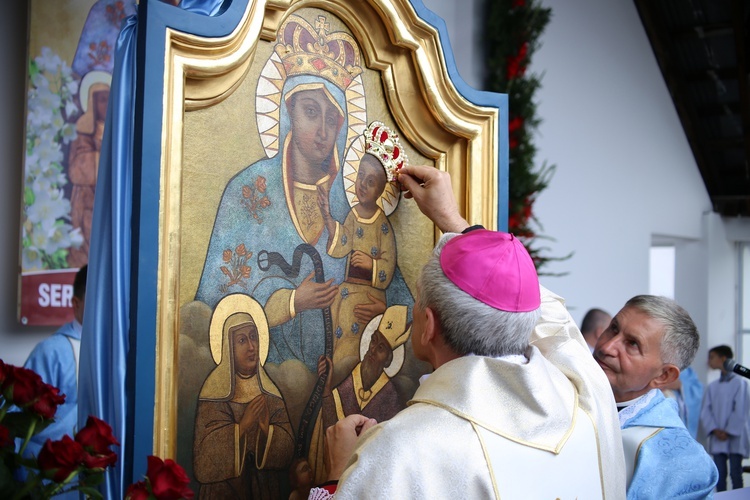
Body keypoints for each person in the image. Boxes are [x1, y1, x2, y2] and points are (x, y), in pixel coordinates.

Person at [314, 164, 627, 499]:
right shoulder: (588, 400)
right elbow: (552, 322)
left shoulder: (401, 453)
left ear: (428, 327)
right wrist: (455, 222)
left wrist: (337, 478)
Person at [594, 295, 718, 498]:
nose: (607, 347)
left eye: (632, 344)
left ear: (663, 376)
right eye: (613, 328)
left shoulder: (683, 461)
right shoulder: (563, 391)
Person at [193, 294, 294, 499]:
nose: (251, 346)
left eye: (254, 336)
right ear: (228, 347)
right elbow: (203, 460)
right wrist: (242, 427)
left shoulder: (270, 394)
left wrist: (268, 432)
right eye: (242, 340)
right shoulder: (213, 394)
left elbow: (288, 450)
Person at [317, 128, 400, 376]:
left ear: (381, 190)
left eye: (371, 182)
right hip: (346, 292)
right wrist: (327, 216)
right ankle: (332, 376)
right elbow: (342, 242)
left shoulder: (382, 224)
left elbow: (388, 266)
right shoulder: (353, 216)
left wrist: (370, 264)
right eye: (360, 176)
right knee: (336, 333)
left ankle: (344, 380)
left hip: (366, 298)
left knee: (354, 349)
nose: (362, 185)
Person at [318, 305, 409, 431]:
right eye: (373, 341)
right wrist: (326, 388)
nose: (372, 349)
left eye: (381, 348)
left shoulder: (390, 397)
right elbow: (330, 427)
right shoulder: (351, 380)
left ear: (388, 360)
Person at [67, 72, 110, 268]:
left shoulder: (116, 131)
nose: (106, 104)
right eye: (101, 100)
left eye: (109, 99)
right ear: (91, 102)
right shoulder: (82, 132)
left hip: (108, 201)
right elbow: (77, 169)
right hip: (86, 202)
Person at [700, 345, 750, 491]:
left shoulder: (741, 384)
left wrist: (728, 431)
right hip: (717, 436)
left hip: (734, 436)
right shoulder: (712, 386)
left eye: (712, 357)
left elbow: (741, 410)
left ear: (724, 359)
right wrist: (715, 429)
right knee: (719, 475)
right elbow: (706, 410)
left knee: (736, 473)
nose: (709, 361)